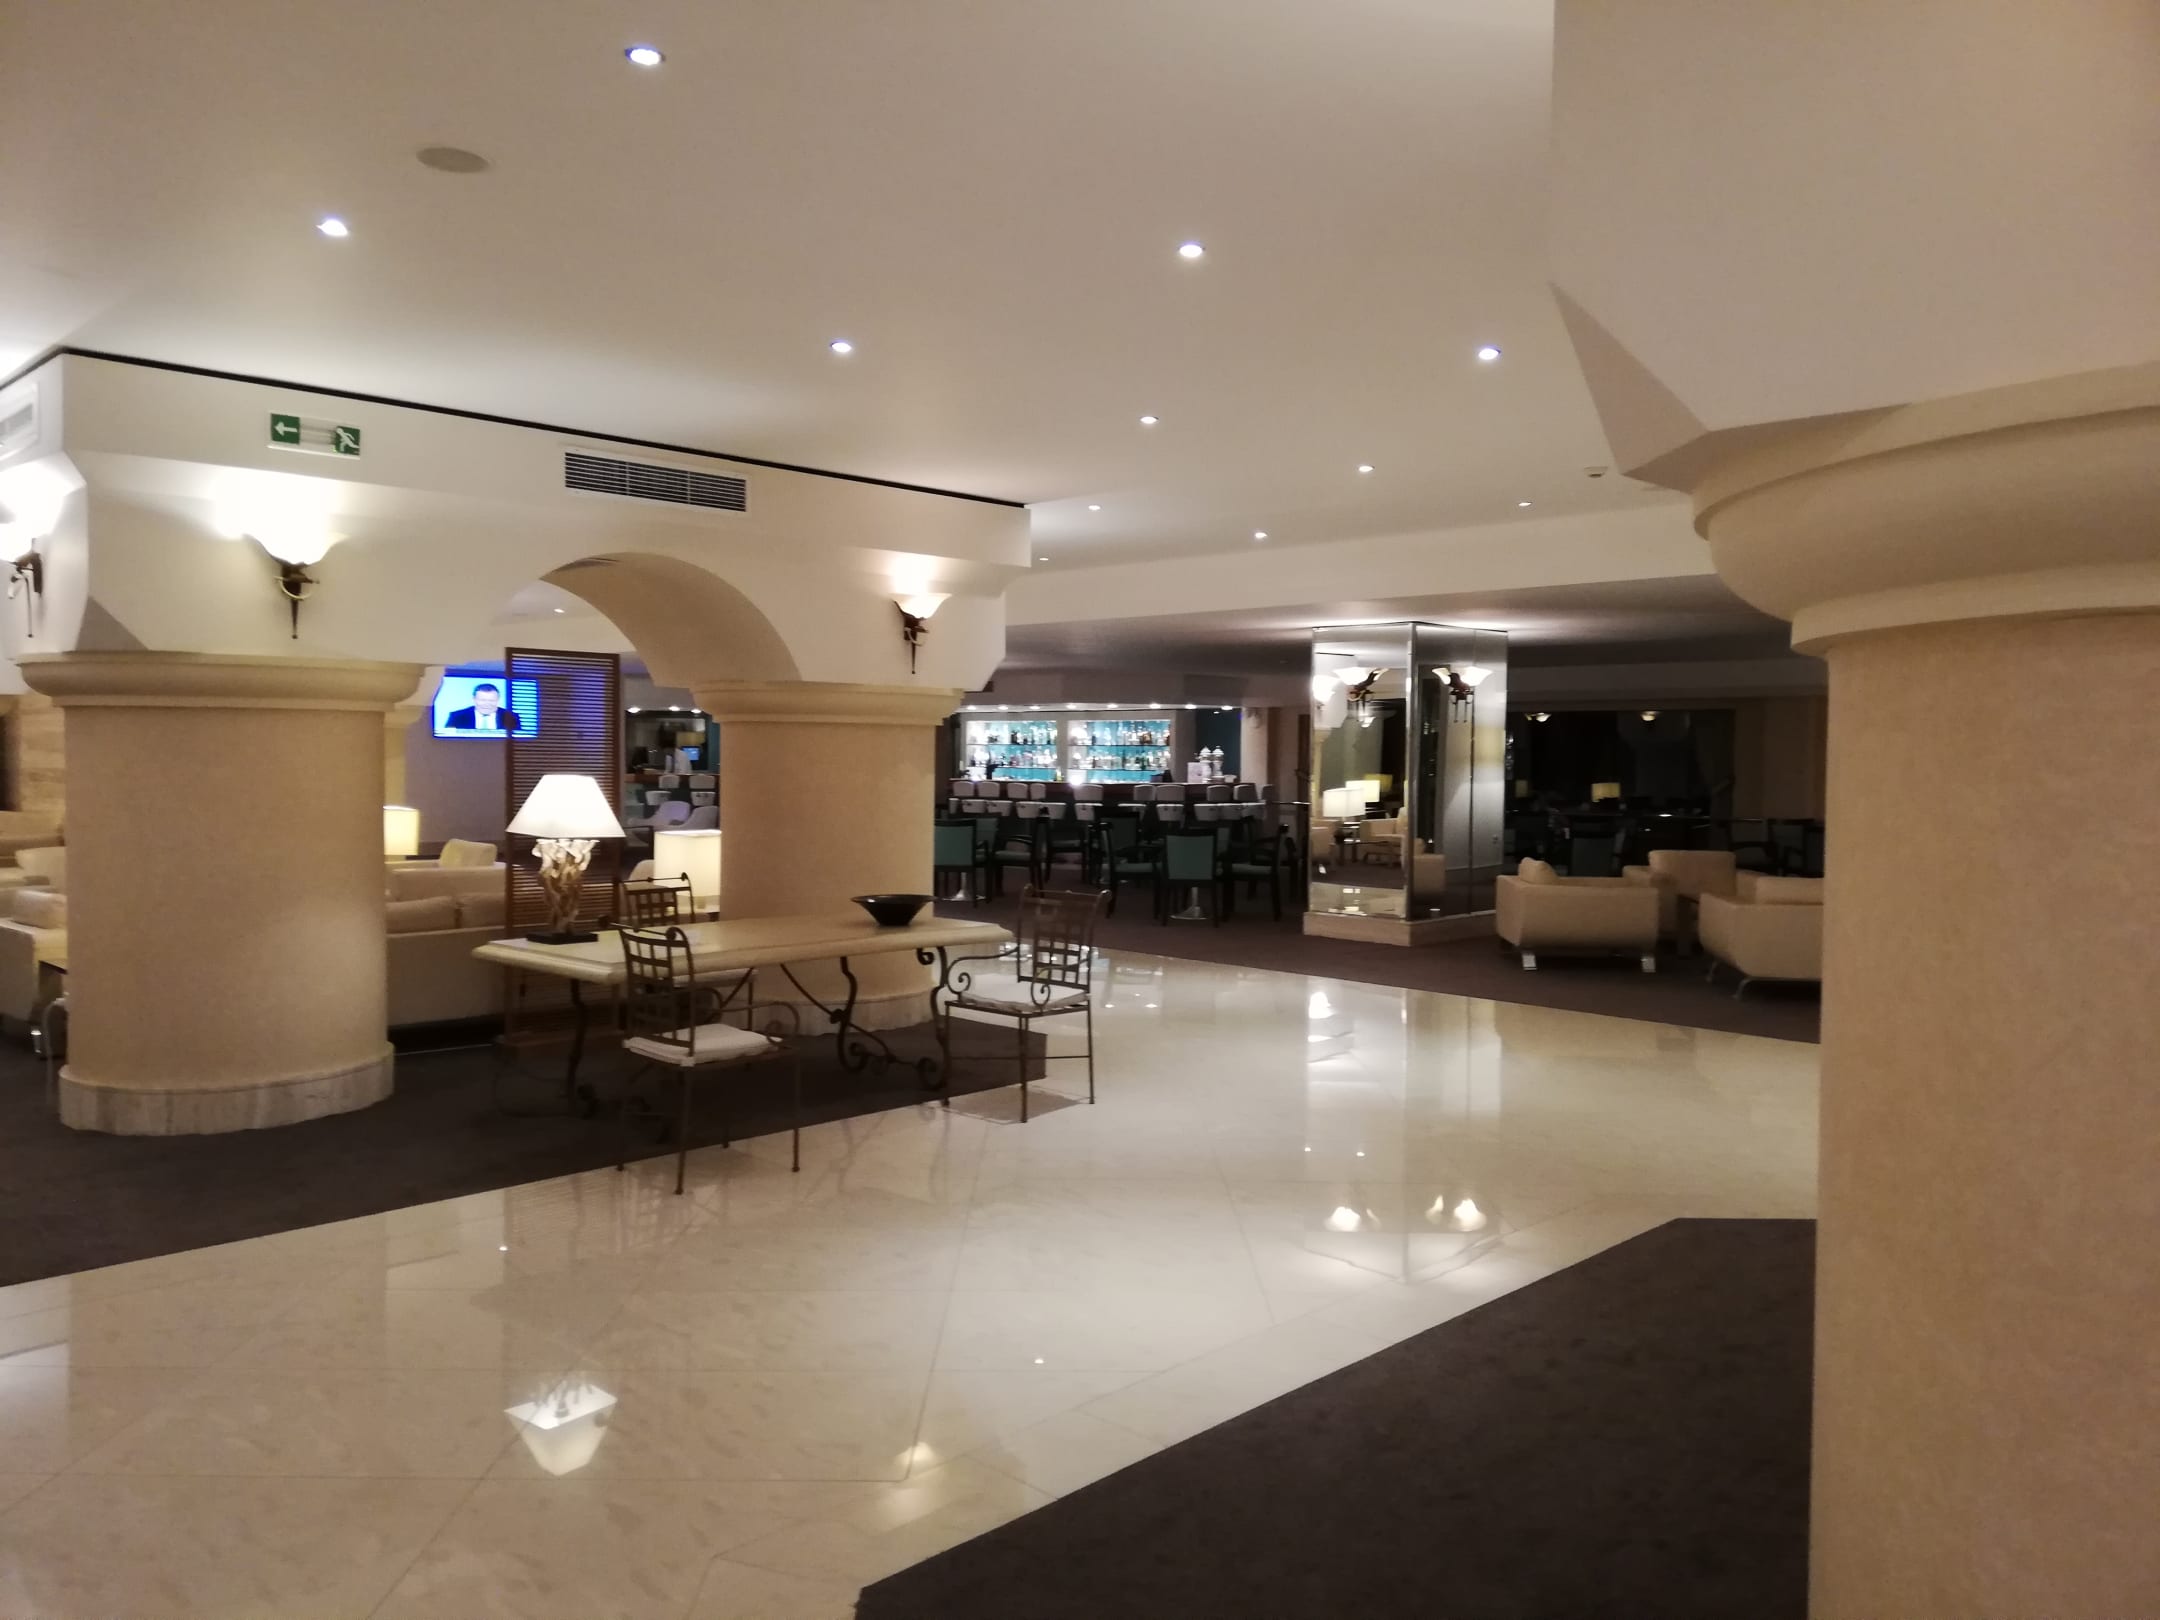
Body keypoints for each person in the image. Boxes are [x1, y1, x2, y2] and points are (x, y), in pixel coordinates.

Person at [444, 681, 522, 732]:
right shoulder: (457, 716)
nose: (487, 704)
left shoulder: (511, 717)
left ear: (498, 700)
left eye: (491, 700)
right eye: (482, 700)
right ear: (474, 699)